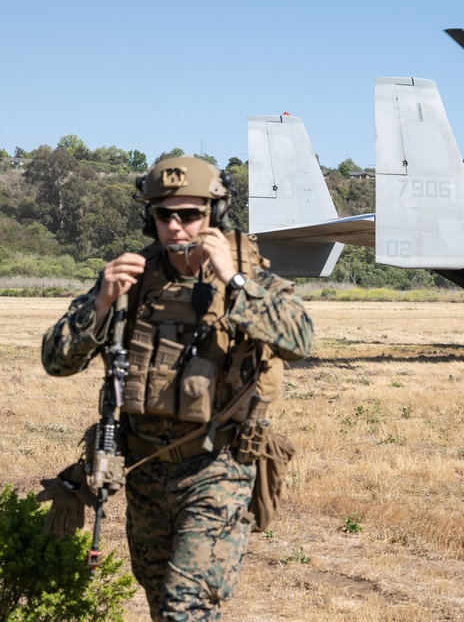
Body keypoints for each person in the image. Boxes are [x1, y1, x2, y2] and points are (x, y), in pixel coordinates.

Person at [39, 156, 313, 621]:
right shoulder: (130, 278)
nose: (175, 226)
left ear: (214, 214)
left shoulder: (248, 276)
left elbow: (299, 339)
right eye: (164, 214)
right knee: (159, 602)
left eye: (189, 214)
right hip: (144, 473)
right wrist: (102, 304)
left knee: (185, 609)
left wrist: (235, 279)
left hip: (218, 469)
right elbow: (56, 361)